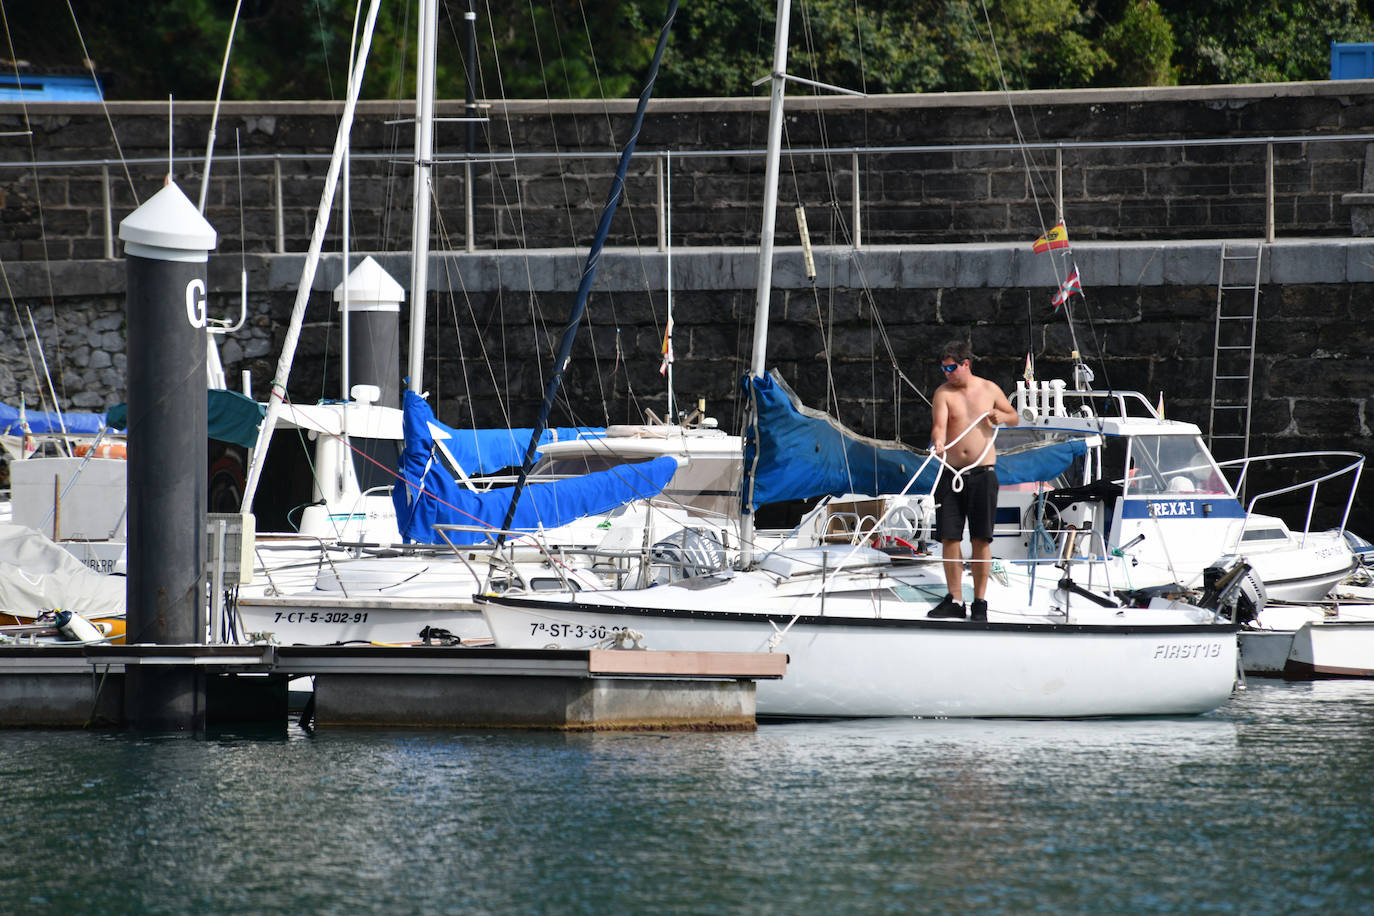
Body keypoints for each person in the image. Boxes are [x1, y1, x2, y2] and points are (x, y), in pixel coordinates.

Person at [927, 341, 1019, 621]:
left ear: (966, 364)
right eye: (943, 368)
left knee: (981, 538)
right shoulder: (943, 393)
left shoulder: (989, 389)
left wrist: (1000, 416)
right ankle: (955, 599)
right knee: (949, 538)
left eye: (951, 368)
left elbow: (1014, 417)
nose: (947, 373)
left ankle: (980, 601)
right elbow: (939, 426)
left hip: (982, 474)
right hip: (951, 474)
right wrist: (939, 442)